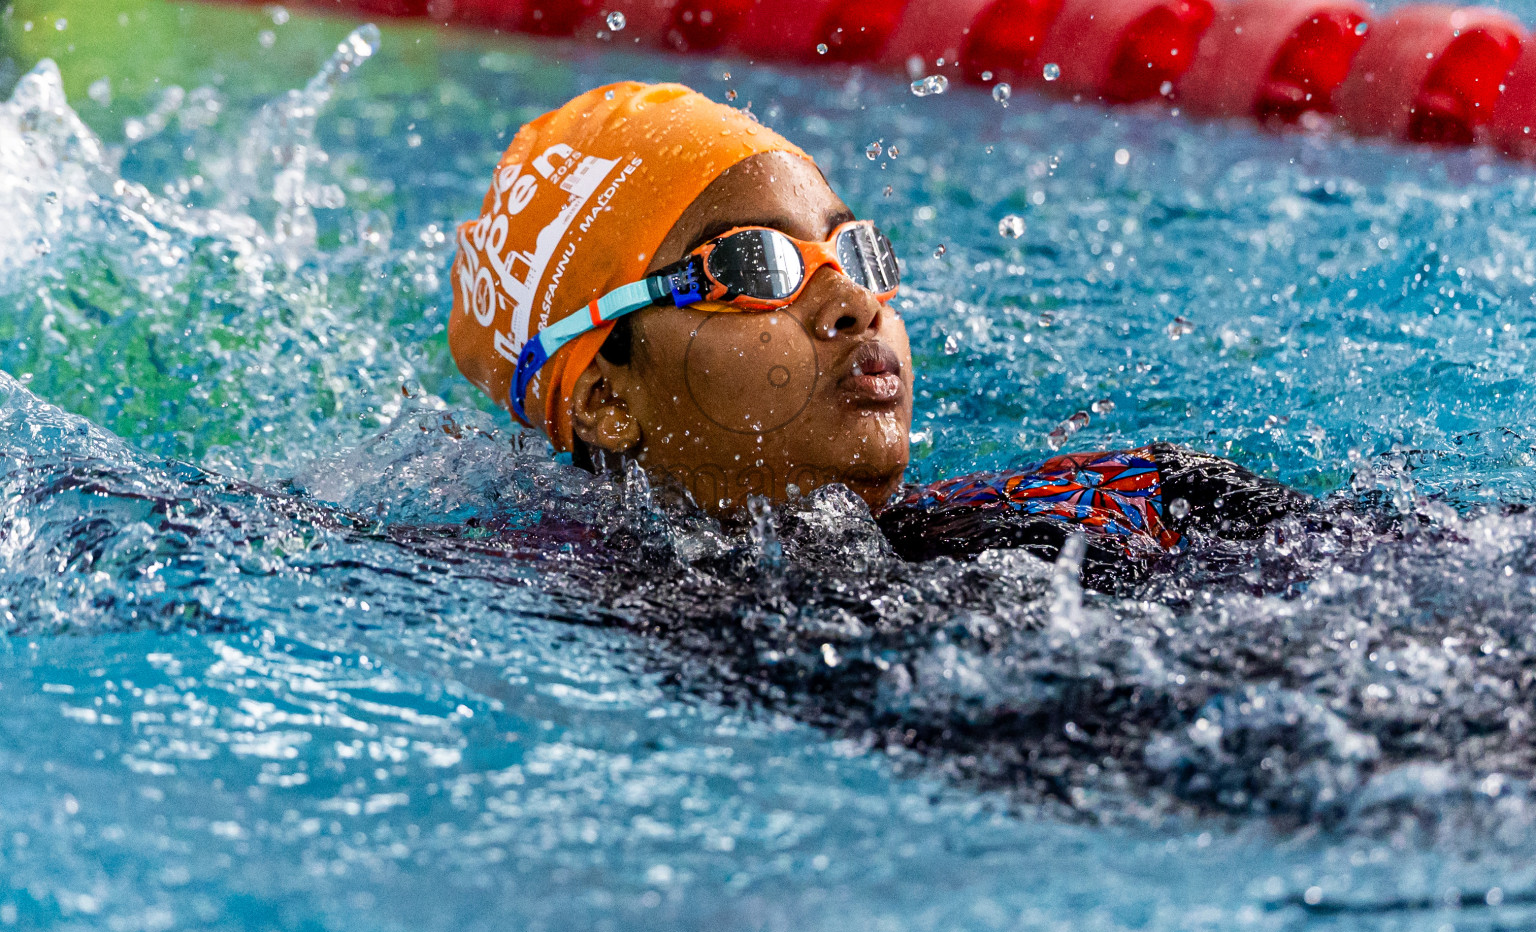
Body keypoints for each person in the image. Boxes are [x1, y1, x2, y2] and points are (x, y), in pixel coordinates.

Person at [448, 81, 1311, 586]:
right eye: (753, 268)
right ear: (606, 399)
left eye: (851, 251)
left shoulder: (1151, 487)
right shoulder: (660, 613)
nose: (855, 304)